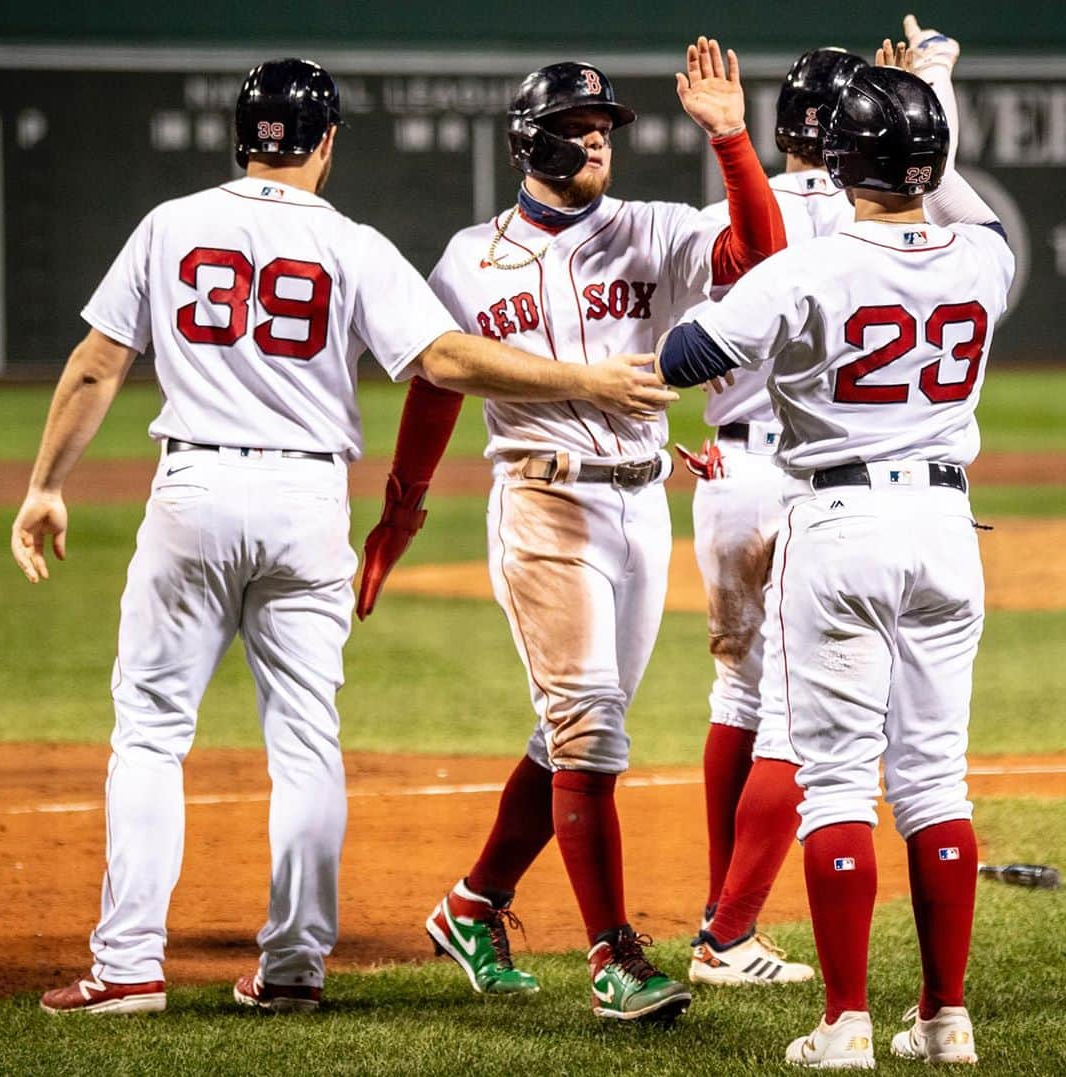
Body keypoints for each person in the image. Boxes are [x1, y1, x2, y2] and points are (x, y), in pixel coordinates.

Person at [13, 58, 676, 1017]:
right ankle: (293, 967)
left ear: (241, 138)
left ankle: (127, 968)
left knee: (151, 735)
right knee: (306, 744)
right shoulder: (349, 243)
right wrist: (590, 382)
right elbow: (442, 359)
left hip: (193, 486)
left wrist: (45, 487)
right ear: (324, 142)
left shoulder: (169, 224)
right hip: (305, 500)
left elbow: (94, 364)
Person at [356, 39, 786, 1021]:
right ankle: (614, 957)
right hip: (544, 498)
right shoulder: (471, 257)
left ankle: (474, 903)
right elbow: (437, 382)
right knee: (589, 721)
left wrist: (729, 139)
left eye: (603, 130)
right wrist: (403, 507)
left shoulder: (656, 229)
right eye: (574, 129)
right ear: (527, 141)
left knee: (577, 736)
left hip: (641, 503)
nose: (594, 144)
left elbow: (760, 255)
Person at [657, 46, 1012, 1066]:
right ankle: (947, 1018)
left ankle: (845, 1021)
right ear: (934, 156)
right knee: (938, 782)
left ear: (839, 156)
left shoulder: (810, 265)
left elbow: (690, 358)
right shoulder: (984, 257)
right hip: (949, 529)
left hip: (841, 527)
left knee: (838, 783)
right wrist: (933, 95)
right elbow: (958, 197)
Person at [680, 45, 867, 988]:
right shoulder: (871, 216)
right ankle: (728, 930)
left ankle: (722, 911)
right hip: (810, 477)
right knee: (804, 714)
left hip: (724, 467)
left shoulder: (723, 215)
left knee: (738, 698)